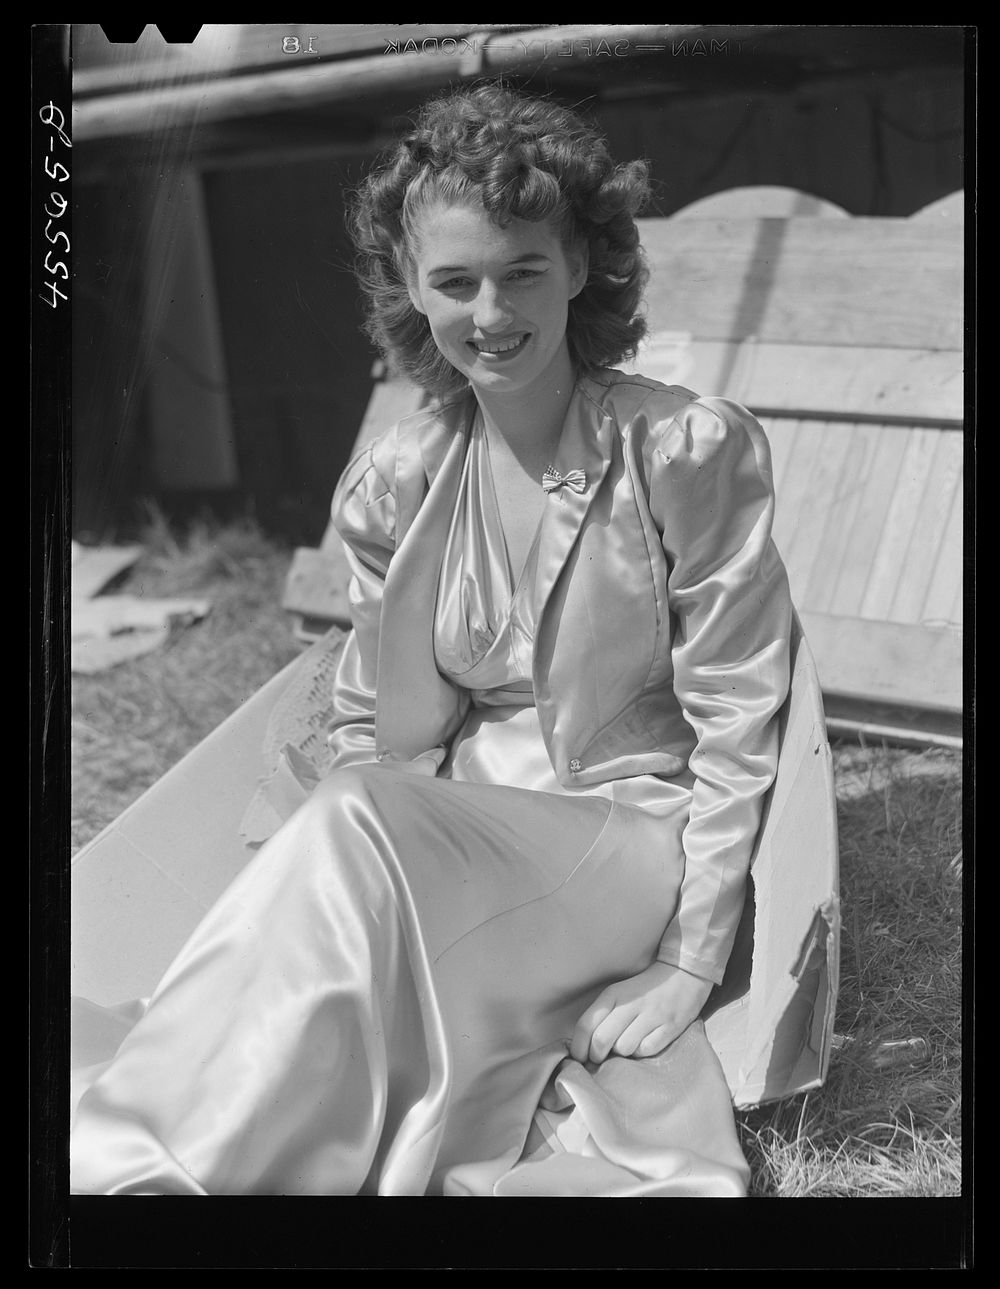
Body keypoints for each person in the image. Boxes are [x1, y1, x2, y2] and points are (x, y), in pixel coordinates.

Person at [70, 83, 793, 1197]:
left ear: (583, 266)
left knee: (357, 815)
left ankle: (138, 1171)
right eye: (454, 281)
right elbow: (371, 725)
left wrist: (689, 960)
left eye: (522, 271)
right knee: (348, 813)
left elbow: (742, 712)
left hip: (621, 837)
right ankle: (181, 1142)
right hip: (440, 838)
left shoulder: (682, 450)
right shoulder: (397, 480)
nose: (489, 312)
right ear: (410, 290)